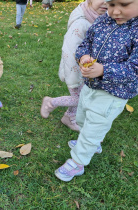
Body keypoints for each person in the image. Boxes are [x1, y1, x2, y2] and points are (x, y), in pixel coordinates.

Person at [55, 0, 138, 182]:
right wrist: (84, 56)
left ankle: (78, 162)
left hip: (114, 92)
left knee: (94, 125)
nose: (115, 11)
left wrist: (103, 70)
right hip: (90, 85)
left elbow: (134, 69)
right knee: (82, 117)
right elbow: (86, 43)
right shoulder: (102, 21)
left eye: (124, 5)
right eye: (111, 4)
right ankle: (93, 143)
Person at [40, 0, 108, 131]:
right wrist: (74, 77)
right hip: (77, 71)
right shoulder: (81, 23)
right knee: (82, 98)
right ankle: (51, 102)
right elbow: (69, 51)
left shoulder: (97, 18)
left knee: (81, 95)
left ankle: (69, 117)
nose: (105, 3)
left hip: (89, 69)